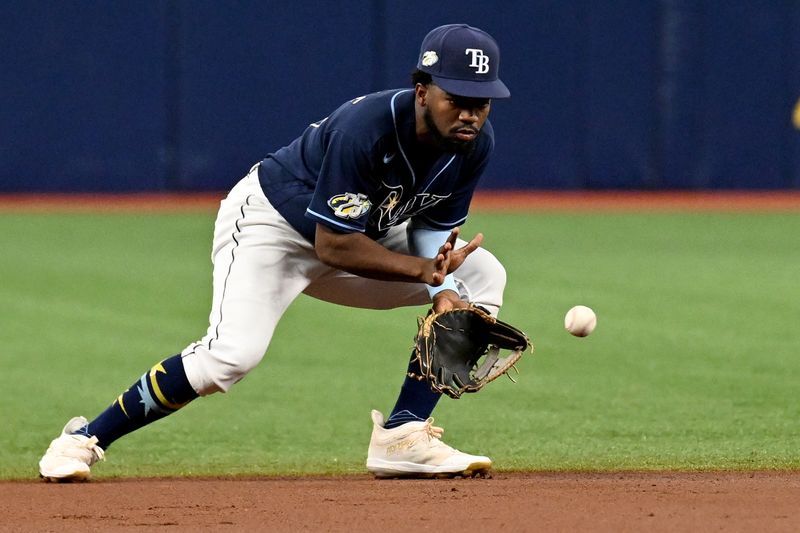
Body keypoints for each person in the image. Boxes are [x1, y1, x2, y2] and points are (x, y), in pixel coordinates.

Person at [38, 23, 511, 481]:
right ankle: (83, 438)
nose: (470, 114)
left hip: (360, 236)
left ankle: (404, 435)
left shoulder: (474, 144)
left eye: (481, 102)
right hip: (274, 227)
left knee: (482, 279)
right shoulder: (364, 128)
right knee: (230, 357)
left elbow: (430, 230)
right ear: (422, 90)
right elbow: (334, 245)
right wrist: (423, 273)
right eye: (457, 99)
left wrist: (444, 288)